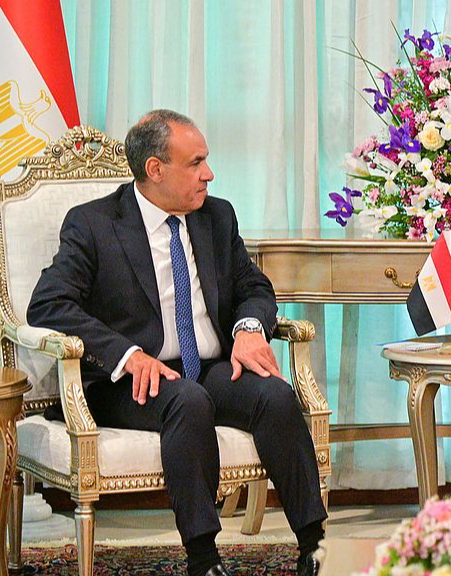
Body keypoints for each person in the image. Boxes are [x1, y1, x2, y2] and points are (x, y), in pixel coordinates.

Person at [28, 109, 326, 576]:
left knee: (275, 395)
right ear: (155, 169)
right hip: (127, 383)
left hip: (207, 367)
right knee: (187, 400)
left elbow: (254, 287)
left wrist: (248, 329)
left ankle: (315, 547)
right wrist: (127, 354)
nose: (209, 174)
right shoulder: (94, 224)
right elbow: (49, 304)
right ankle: (204, 560)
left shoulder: (216, 216)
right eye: (196, 162)